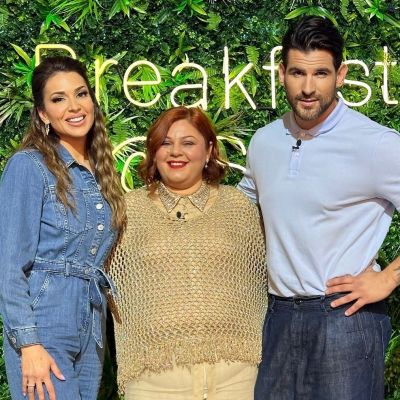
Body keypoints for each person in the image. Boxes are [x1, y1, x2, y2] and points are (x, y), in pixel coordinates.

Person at [237, 16, 400, 400]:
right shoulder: (264, 141)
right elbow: (241, 211)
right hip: (277, 318)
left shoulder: (376, 143)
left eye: (321, 73)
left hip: (345, 320)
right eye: (298, 73)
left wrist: (389, 278)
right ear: (282, 74)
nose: (308, 88)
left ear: (341, 75)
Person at [107, 106, 267, 400]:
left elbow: (271, 271)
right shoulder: (127, 211)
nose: (175, 152)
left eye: (188, 143)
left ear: (209, 151)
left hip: (235, 375)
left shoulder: (238, 207)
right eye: (165, 143)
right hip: (153, 379)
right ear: (154, 152)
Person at [0, 56, 126, 400]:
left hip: (91, 322)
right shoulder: (29, 166)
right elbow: (9, 266)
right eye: (59, 99)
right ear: (43, 114)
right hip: (44, 321)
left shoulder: (101, 172)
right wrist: (29, 343)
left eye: (81, 94)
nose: (74, 106)